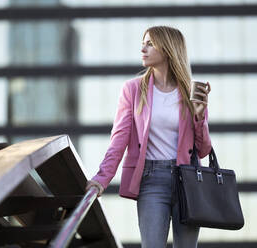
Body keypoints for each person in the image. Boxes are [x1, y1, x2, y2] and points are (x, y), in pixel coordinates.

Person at [85, 26, 212, 248]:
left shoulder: (191, 92)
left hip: (188, 181)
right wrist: (101, 179)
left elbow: (202, 150)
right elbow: (119, 138)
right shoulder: (132, 90)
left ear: (168, 49)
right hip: (151, 180)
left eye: (150, 43)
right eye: (143, 43)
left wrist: (199, 118)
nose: (142, 48)